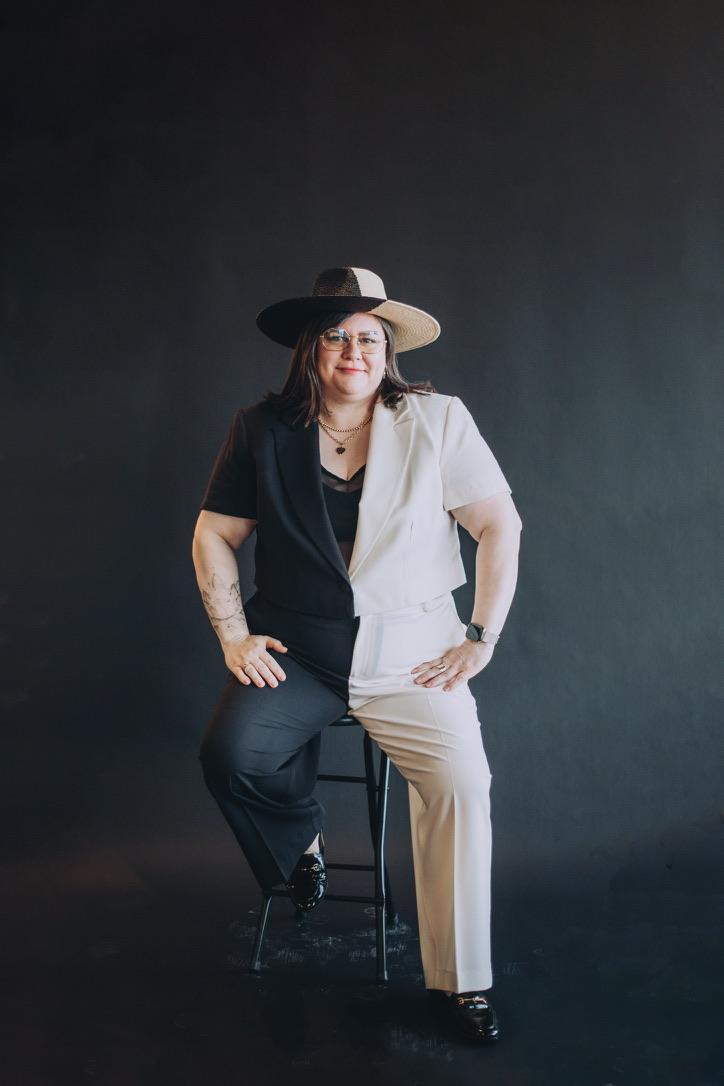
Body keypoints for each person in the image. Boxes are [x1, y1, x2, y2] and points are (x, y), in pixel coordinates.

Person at [191, 266, 522, 1043]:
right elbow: (214, 532)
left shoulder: (438, 420)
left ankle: (460, 983)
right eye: (336, 336)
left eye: (368, 337)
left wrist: (480, 637)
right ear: (310, 348)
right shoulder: (262, 428)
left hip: (414, 653)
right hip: (300, 650)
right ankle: (301, 845)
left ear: (387, 348)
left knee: (462, 787)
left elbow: (498, 527)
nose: (353, 350)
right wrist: (233, 634)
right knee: (229, 756)